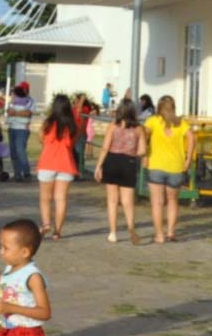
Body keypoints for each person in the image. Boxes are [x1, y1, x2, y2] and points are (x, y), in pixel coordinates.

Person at [143, 95, 195, 243]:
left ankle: (159, 234)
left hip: (156, 166)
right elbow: (192, 137)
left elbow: (144, 135)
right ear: (173, 107)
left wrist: (144, 154)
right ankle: (171, 232)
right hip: (176, 167)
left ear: (159, 107)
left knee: (157, 202)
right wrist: (188, 158)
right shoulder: (181, 123)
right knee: (173, 200)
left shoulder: (152, 121)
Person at [93, 99, 146, 244]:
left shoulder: (113, 126)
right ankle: (130, 226)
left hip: (112, 161)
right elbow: (143, 150)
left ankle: (113, 232)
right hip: (129, 162)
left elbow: (105, 148)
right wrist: (133, 152)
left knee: (112, 200)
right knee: (127, 201)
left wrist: (98, 166)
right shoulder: (139, 129)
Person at [36, 95, 78, 241]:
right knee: (61, 199)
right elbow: (72, 144)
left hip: (47, 163)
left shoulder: (47, 123)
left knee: (45, 198)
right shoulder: (72, 125)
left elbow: (41, 139)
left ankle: (46, 223)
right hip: (66, 164)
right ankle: (57, 231)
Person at [5, 82, 35, 182]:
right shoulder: (13, 100)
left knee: (20, 151)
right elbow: (8, 111)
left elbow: (28, 114)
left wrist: (15, 113)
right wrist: (14, 112)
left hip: (22, 129)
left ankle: (26, 173)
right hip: (12, 128)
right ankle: (17, 174)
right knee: (13, 152)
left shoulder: (30, 101)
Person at [71, 93, 95, 179]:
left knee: (79, 153)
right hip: (74, 133)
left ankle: (79, 172)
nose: (76, 101)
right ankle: (74, 171)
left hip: (80, 133)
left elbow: (79, 112)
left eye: (78, 99)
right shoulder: (74, 107)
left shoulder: (85, 108)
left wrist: (82, 100)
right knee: (73, 153)